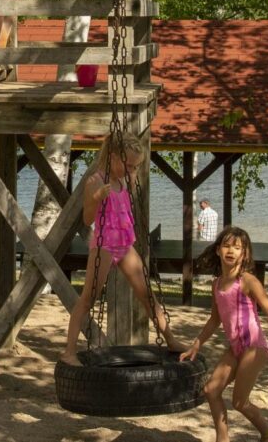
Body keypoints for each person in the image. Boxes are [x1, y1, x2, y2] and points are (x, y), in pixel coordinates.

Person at [61, 131, 183, 365]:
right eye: (128, 165)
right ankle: (69, 351)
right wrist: (96, 197)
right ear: (114, 157)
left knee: (147, 293)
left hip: (125, 244)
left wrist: (132, 176)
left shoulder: (122, 179)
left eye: (135, 166)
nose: (131, 170)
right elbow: (87, 220)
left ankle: (171, 340)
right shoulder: (95, 181)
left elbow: (125, 206)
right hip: (104, 245)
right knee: (88, 299)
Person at [181, 226, 268, 442]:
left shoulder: (247, 280)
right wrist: (197, 343)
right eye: (226, 246)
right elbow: (214, 320)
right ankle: (223, 438)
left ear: (244, 253)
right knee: (211, 390)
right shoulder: (217, 284)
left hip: (254, 347)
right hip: (236, 348)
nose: (231, 251)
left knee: (239, 402)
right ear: (218, 250)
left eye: (237, 247)